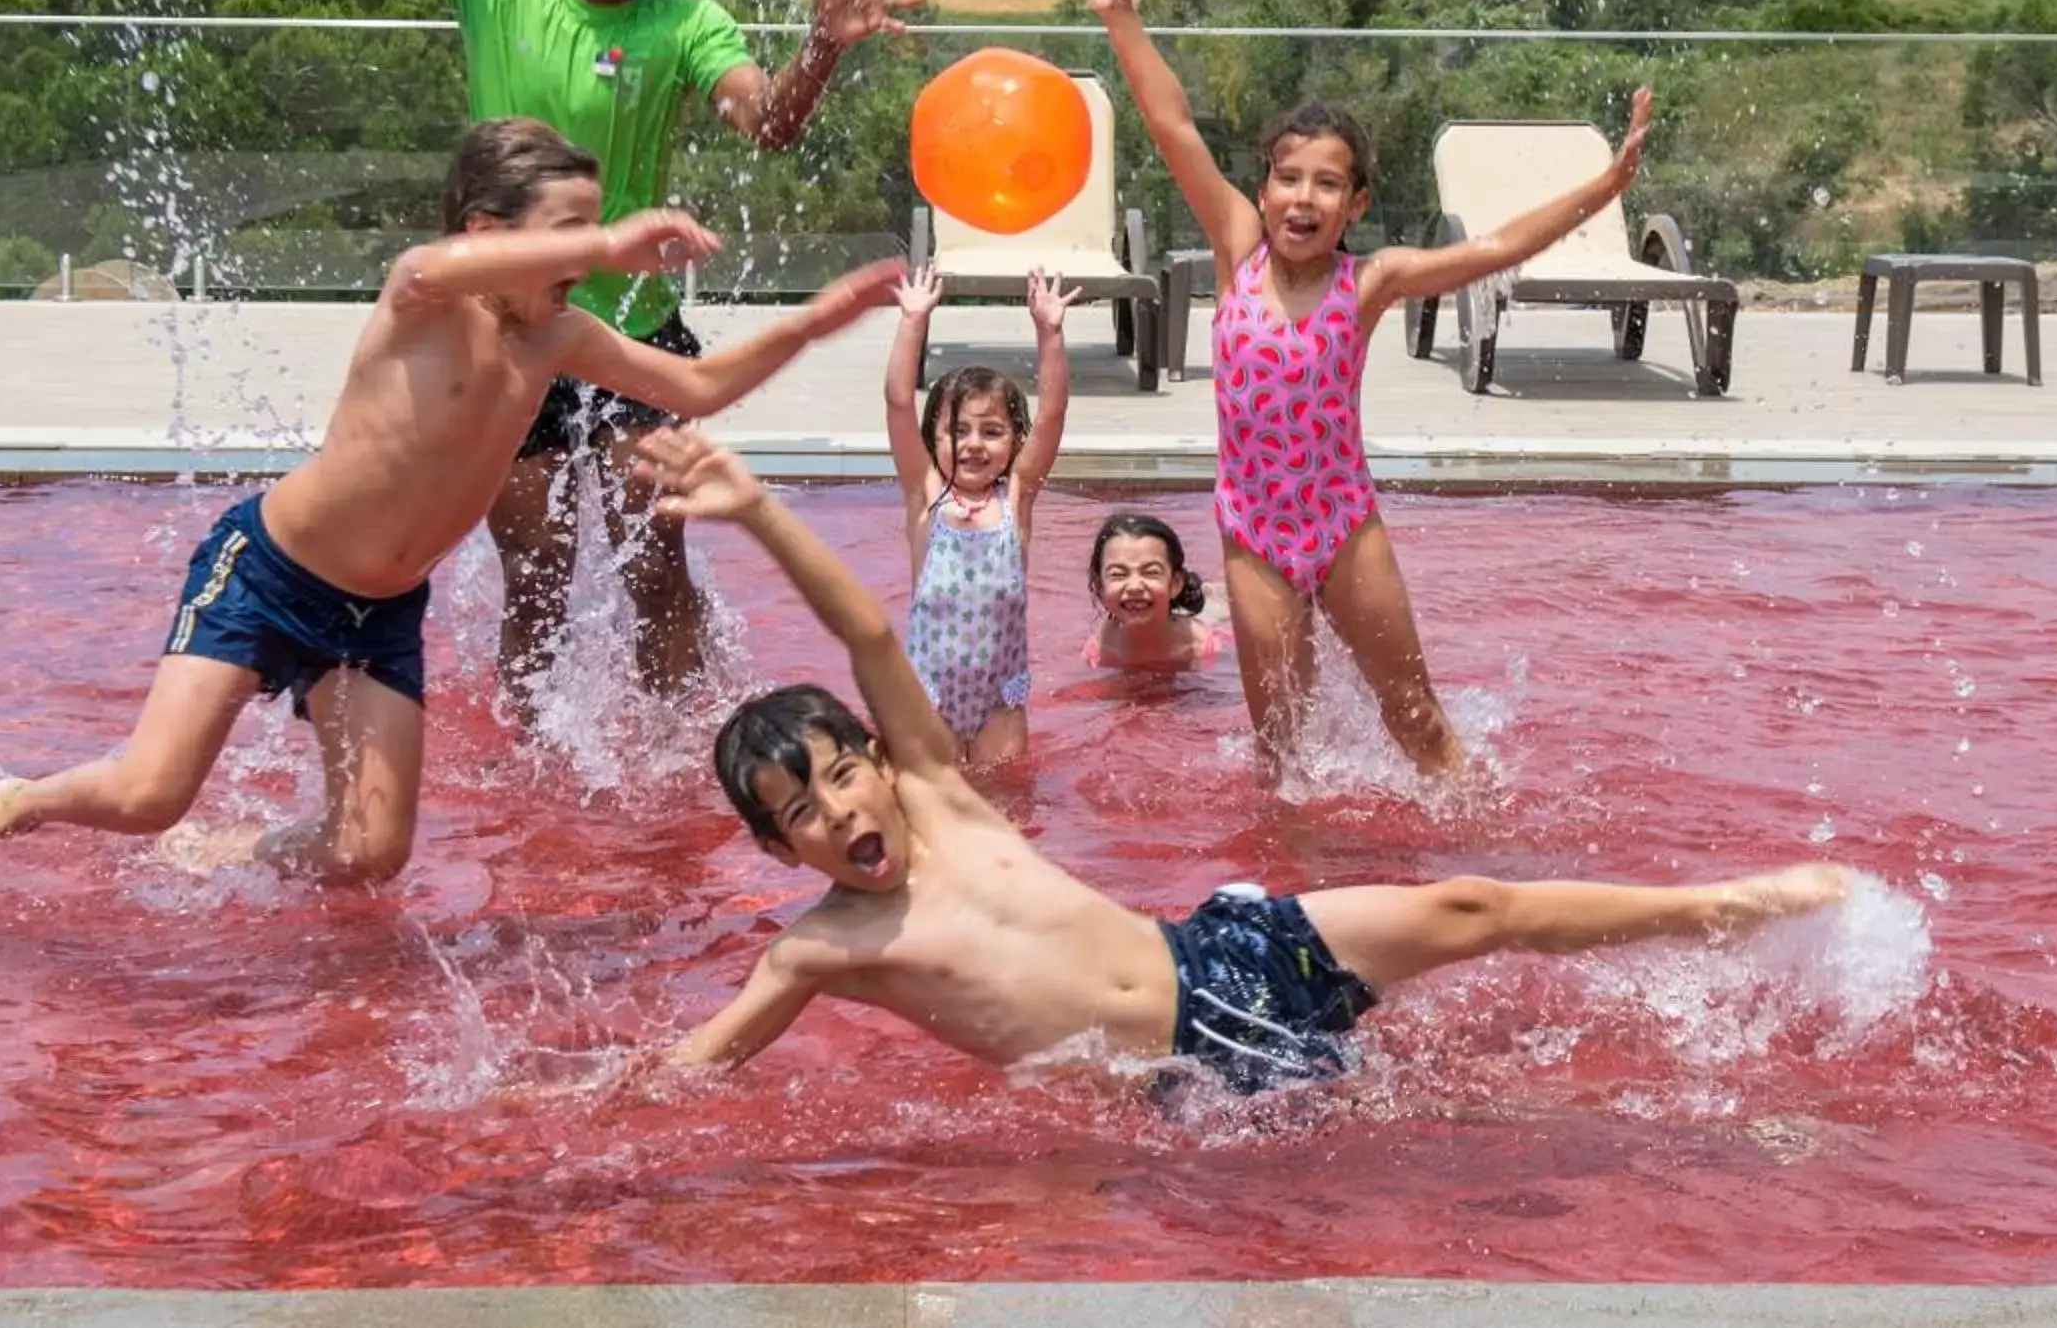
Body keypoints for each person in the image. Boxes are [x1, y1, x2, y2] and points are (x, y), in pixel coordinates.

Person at [640, 427, 1847, 1090]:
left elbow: (862, 629)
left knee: (1474, 904)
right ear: (774, 845)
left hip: (1225, 947)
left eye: (840, 772)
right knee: (1468, 1110)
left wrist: (756, 509)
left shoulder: (944, 803)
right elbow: (697, 1067)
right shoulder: (820, 948)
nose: (835, 808)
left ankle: (1727, 907)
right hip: (1199, 1075)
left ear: (882, 761)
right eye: (798, 812)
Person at [0, 120, 901, 883]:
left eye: (594, 230)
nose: (586, 255)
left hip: (377, 617)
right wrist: (606, 243)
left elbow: (701, 388)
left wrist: (816, 321)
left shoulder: (560, 339)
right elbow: (434, 260)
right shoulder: (422, 299)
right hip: (271, 575)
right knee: (148, 794)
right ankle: (15, 802)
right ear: (492, 232)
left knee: (368, 854)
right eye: (563, 234)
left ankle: (233, 853)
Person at [228, 0, 926, 707]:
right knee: (539, 580)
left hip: (635, 333)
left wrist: (821, 49)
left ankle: (690, 757)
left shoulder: (689, 23)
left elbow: (764, 120)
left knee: (659, 570)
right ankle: (535, 786)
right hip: (513, 336)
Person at [1084, 0, 1653, 782]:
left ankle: (1476, 850)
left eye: (1327, 183)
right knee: (1283, 754)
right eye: (1288, 177)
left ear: (1354, 204)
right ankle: (1306, 898)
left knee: (1416, 717)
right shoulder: (1238, 247)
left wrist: (1606, 186)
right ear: (1265, 186)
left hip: (1344, 527)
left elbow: (1493, 250)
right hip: (1253, 536)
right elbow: (1172, 128)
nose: (1302, 198)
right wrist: (1122, 16)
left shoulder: (1370, 282)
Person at [882, 266, 1075, 764]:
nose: (973, 444)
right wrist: (913, 321)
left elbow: (1052, 415)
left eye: (991, 431)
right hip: (928, 702)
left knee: (1007, 811)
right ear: (935, 439)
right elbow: (899, 402)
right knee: (935, 812)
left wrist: (1049, 333)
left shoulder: (1015, 500)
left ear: (1015, 442)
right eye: (958, 431)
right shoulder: (926, 496)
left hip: (999, 705)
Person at [1082, 512, 1231, 674]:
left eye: (1151, 572)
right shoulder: (1100, 651)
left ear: (1175, 584)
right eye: (1118, 574)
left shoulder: (1204, 648)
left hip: (1214, 616)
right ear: (1100, 587)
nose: (1135, 586)